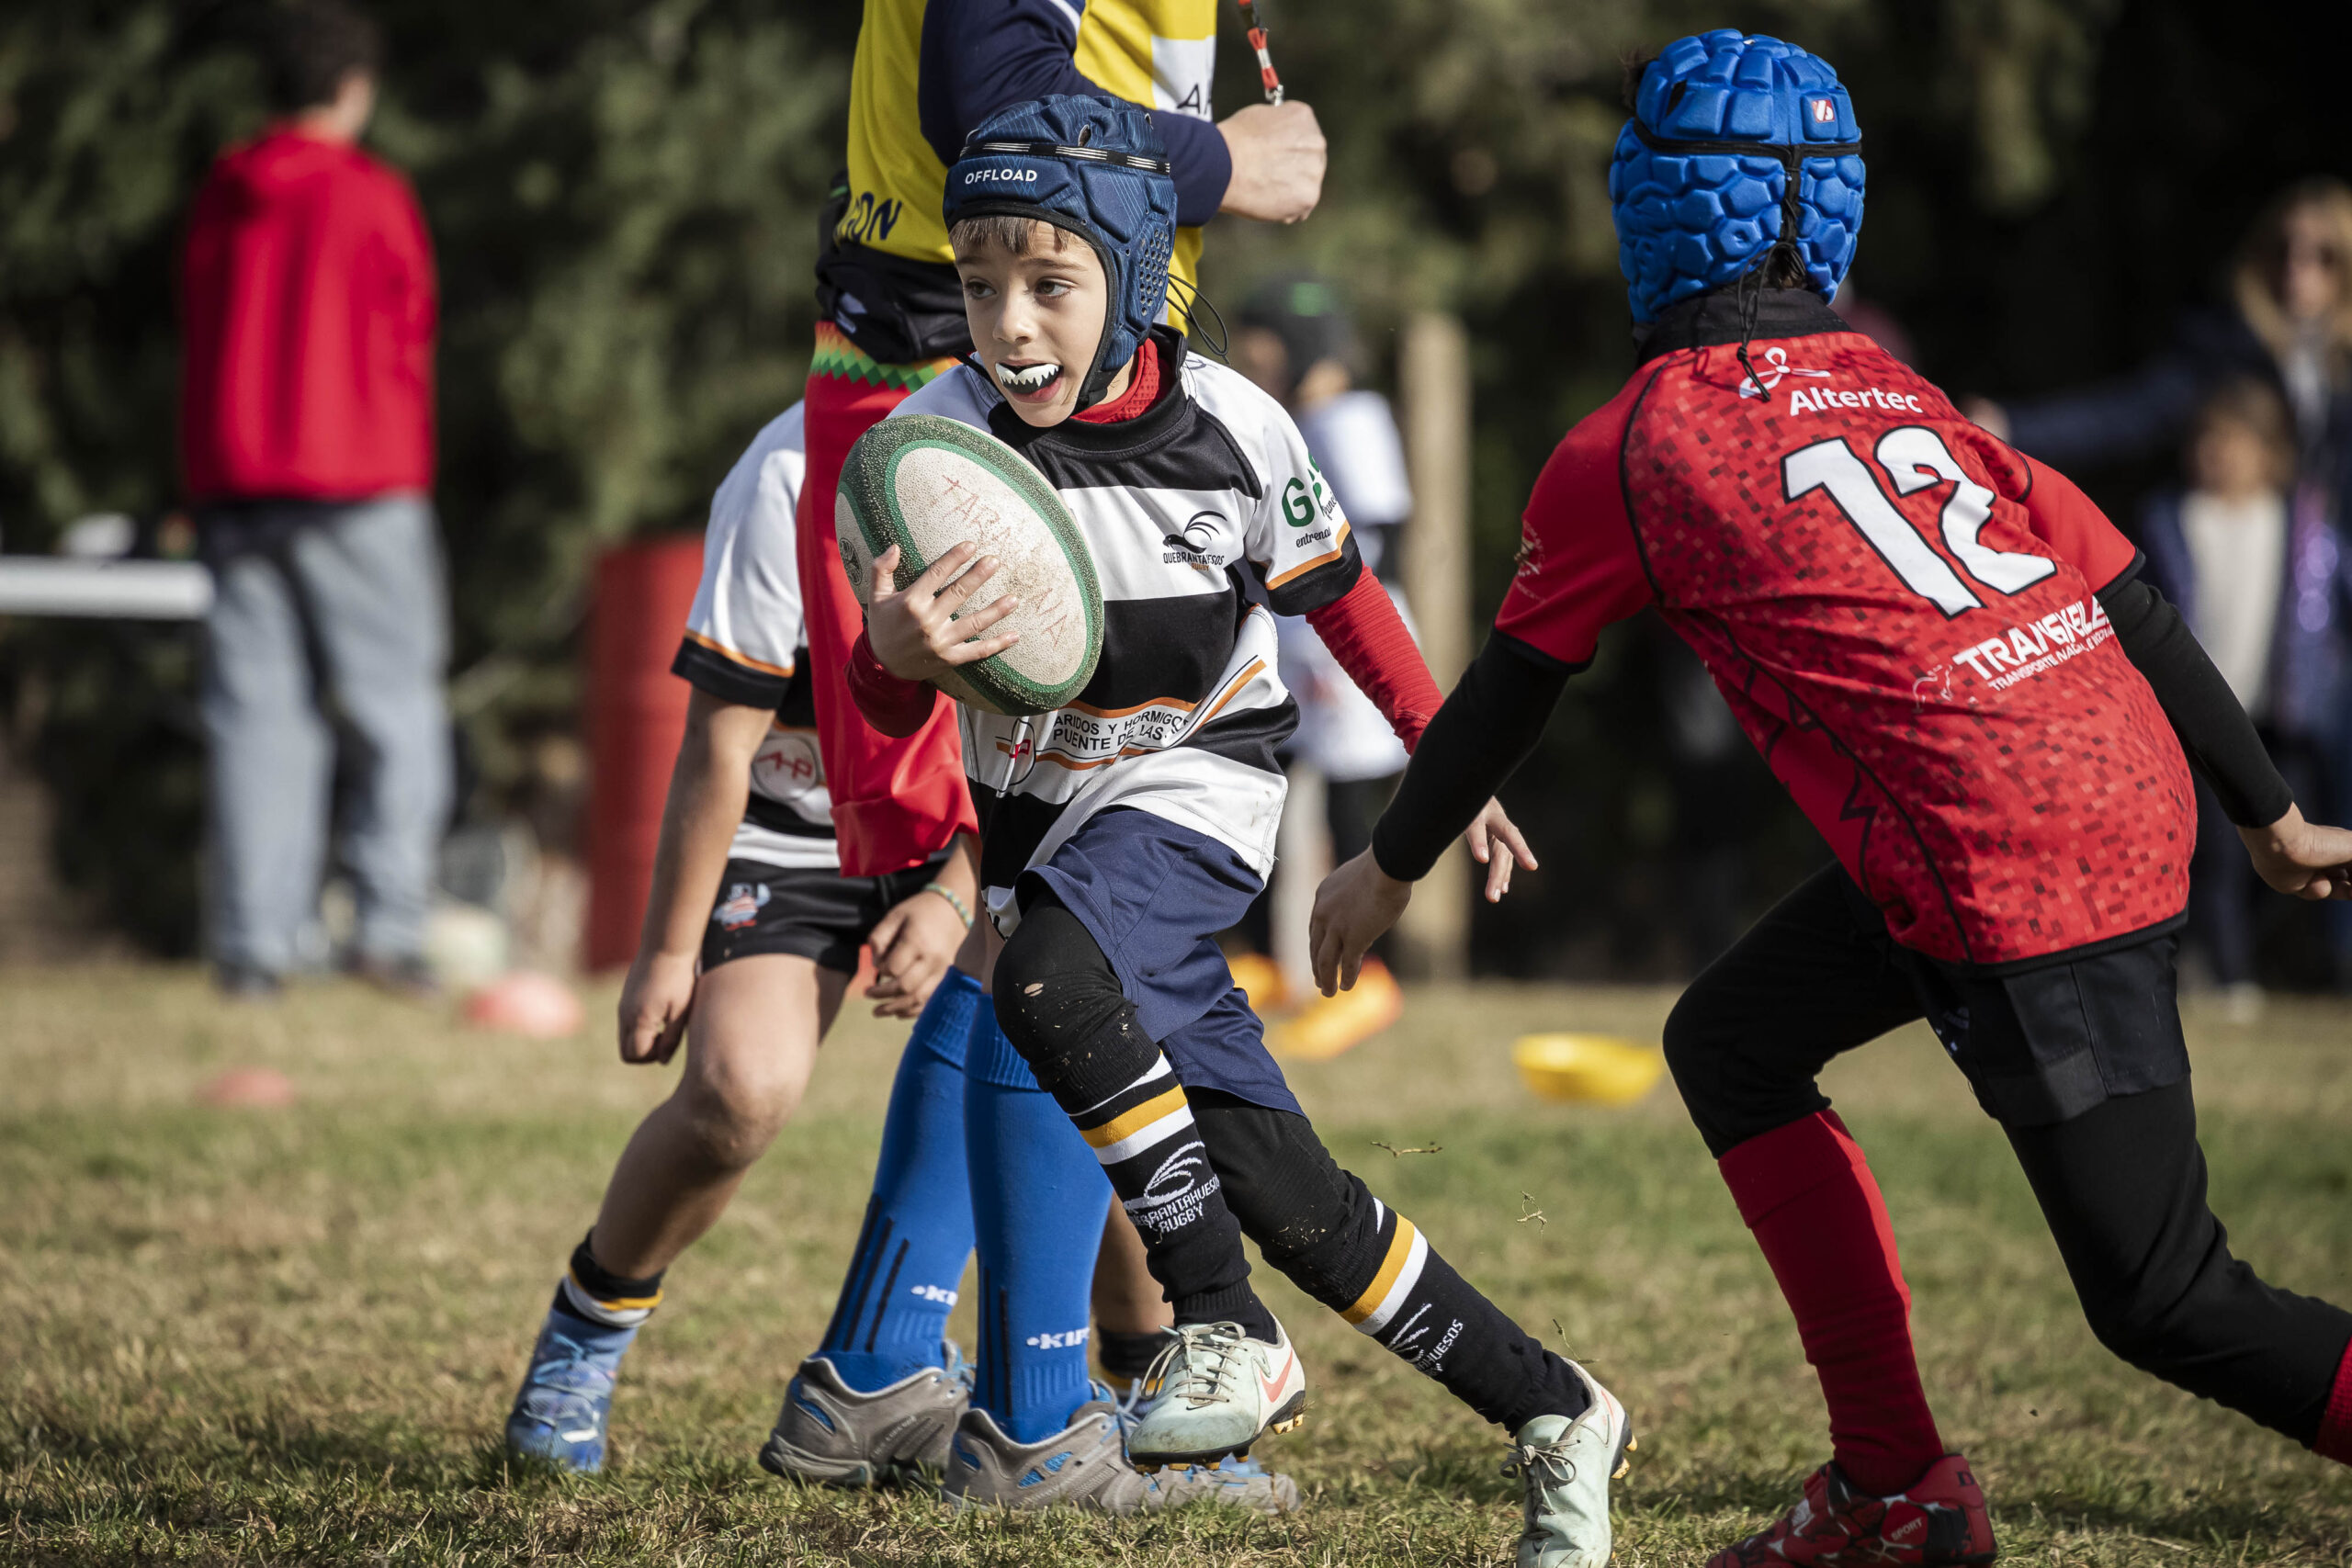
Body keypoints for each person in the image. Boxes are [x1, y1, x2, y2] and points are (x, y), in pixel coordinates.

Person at [1310, 30, 2352, 1567]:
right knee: (1731, 1037)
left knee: (2167, 1297)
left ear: (1654, 211)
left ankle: (1901, 1484)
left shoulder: (1636, 444)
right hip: (2084, 800)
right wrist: (2266, 815)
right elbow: (2125, 592)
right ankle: (1894, 1483)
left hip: (2007, 857)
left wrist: (1388, 866)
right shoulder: (1898, 391)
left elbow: (1521, 681)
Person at [849, 96, 1632, 1565]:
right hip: (1039, 831)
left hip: (1198, 785)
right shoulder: (924, 450)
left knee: (1043, 981)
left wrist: (1442, 785)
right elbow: (884, 726)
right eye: (978, 283)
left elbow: (1351, 605)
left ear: (1135, 276)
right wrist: (892, 654)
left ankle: (1219, 1321)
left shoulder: (1235, 427)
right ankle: (1559, 1407)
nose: (1008, 322)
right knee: (1283, 1184)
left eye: (1050, 283)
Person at [498, 399, 1294, 1516]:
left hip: (965, 825)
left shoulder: (1033, 445)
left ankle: (1129, 1408)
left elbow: (1054, 736)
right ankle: (581, 1344)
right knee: (738, 1094)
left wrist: (954, 886)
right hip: (791, 825)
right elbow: (717, 739)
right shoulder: (783, 475)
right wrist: (668, 950)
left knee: (1080, 1040)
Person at [797, 0, 1329, 1406]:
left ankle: (937, 1375)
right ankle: (1019, 1409)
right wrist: (1222, 165)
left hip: (1012, 381)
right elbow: (996, 98)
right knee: (1034, 920)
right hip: (970, 402)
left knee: (1026, 922)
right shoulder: (991, 353)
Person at [1972, 181, 2352, 986]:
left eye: (2323, 255)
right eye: (2281, 251)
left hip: (2331, 616)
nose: (2297, 272)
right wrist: (2011, 435)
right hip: (2253, 621)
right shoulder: (2225, 352)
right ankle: (2238, 967)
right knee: (2250, 808)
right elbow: (2125, 414)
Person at [179, 0, 447, 998]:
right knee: (394, 712)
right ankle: (387, 931)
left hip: (235, 484)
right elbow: (407, 326)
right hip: (359, 480)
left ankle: (255, 950)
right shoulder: (369, 193)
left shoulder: (223, 190)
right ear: (353, 89)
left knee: (257, 722)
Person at [1229, 275, 1413, 1022]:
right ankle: (1262, 960)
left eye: (1264, 350)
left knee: (1350, 804)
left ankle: (1372, 978)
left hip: (1344, 637)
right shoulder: (1309, 414)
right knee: (1262, 789)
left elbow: (1372, 533)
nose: (1252, 364)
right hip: (1298, 637)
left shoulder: (1351, 418)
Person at [2142, 379, 2312, 1014]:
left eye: (2234, 443)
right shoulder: (2170, 518)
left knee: (2298, 836)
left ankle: (2232, 953)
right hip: (2203, 721)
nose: (2218, 455)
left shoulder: (2299, 519)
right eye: (2207, 441)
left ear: (2270, 452)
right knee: (2217, 851)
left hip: (2282, 713)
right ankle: (2233, 976)